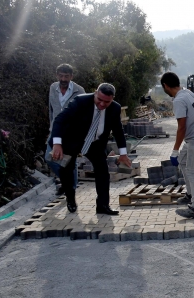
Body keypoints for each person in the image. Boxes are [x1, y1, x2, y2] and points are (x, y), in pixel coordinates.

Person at [49, 83, 132, 215]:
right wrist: (57, 144)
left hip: (95, 143)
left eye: (107, 102)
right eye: (100, 100)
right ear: (95, 93)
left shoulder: (115, 108)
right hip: (72, 140)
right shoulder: (80, 101)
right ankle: (70, 198)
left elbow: (118, 131)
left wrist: (123, 153)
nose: (102, 104)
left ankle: (103, 206)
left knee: (103, 171)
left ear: (113, 98)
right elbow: (59, 120)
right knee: (66, 171)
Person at [160, 72, 194, 219]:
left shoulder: (179, 100)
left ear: (165, 86)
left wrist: (174, 150)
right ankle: (190, 194)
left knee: (192, 171)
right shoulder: (187, 92)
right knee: (183, 161)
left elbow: (181, 127)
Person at [47, 64, 85, 195]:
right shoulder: (53, 88)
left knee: (70, 162)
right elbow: (51, 109)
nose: (63, 79)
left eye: (66, 76)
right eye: (61, 76)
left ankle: (71, 188)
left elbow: (83, 113)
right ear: (57, 75)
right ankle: (66, 181)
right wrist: (51, 126)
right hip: (55, 130)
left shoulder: (79, 91)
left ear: (71, 77)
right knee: (48, 157)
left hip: (71, 133)